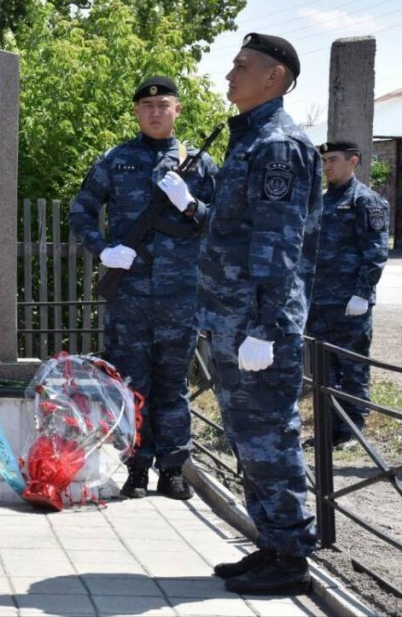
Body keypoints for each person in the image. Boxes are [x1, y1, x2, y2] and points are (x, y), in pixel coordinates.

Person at [198, 33, 321, 595]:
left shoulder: (278, 145)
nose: (229, 74)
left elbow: (278, 244)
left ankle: (291, 559)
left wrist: (266, 329)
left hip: (257, 327)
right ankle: (271, 544)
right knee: (250, 439)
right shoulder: (250, 139)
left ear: (274, 77)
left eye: (241, 66)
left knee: (272, 439)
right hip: (235, 320)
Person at [70, 75, 217, 501]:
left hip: (180, 296)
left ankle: (172, 469)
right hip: (130, 295)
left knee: (173, 385)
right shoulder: (116, 160)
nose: (155, 112)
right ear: (136, 111)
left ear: (177, 110)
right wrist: (103, 250)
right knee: (132, 384)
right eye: (147, 106)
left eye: (163, 105)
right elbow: (80, 212)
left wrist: (191, 205)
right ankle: (136, 467)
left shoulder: (200, 164)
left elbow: (226, 223)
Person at [305, 140, 389, 448]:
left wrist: (362, 294)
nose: (327, 165)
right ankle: (328, 431)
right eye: (324, 160)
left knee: (353, 367)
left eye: (333, 160)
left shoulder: (366, 201)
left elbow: (375, 253)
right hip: (319, 302)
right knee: (323, 371)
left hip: (350, 304)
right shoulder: (322, 201)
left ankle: (353, 430)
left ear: (353, 161)